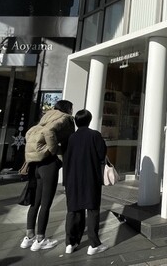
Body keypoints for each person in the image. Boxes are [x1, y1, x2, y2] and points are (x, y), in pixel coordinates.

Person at [21, 99, 75, 251]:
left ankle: (29, 237)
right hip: (48, 165)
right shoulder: (64, 118)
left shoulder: (45, 118)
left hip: (35, 165)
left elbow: (29, 133)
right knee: (46, 203)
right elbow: (49, 132)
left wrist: (38, 151)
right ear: (67, 108)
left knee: (35, 202)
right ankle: (40, 239)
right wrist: (53, 150)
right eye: (71, 108)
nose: (72, 111)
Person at [63, 109, 109, 255]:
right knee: (92, 209)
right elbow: (101, 154)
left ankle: (70, 243)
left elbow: (66, 159)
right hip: (90, 177)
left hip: (72, 178)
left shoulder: (71, 138)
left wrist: (65, 181)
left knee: (73, 210)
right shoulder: (95, 135)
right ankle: (94, 244)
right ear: (89, 120)